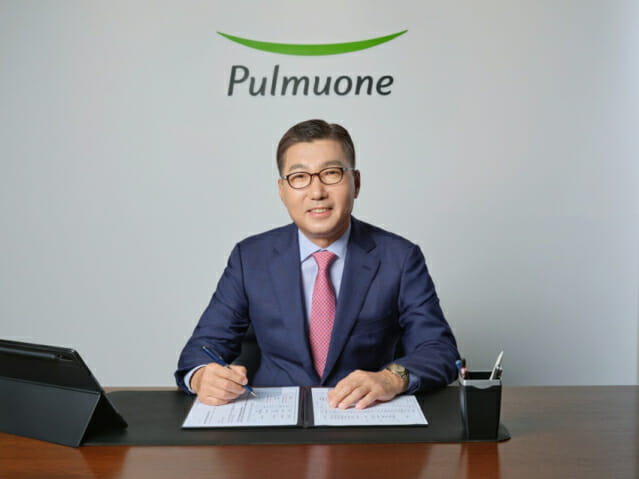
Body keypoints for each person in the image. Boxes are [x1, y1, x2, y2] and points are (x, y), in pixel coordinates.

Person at [175, 119, 459, 410]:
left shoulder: (399, 258)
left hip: (363, 416)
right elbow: (201, 350)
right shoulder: (250, 258)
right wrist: (202, 377)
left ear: (356, 183)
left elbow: (439, 350)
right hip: (273, 421)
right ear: (282, 190)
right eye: (299, 177)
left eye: (331, 173)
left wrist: (392, 378)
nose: (317, 192)